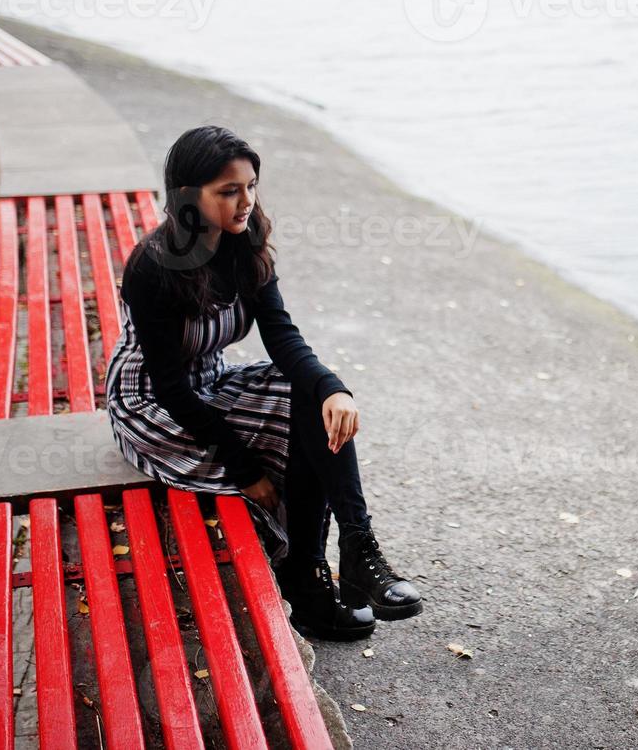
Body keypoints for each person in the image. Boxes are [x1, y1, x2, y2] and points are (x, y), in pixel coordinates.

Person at [105, 124, 422, 641]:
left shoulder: (244, 245)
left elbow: (281, 335)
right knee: (301, 427)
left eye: (251, 186)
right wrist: (244, 465)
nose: (246, 201)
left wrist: (333, 387)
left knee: (313, 403)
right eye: (229, 191)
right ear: (188, 197)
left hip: (210, 378)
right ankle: (311, 589)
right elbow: (169, 385)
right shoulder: (154, 267)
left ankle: (353, 554)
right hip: (153, 402)